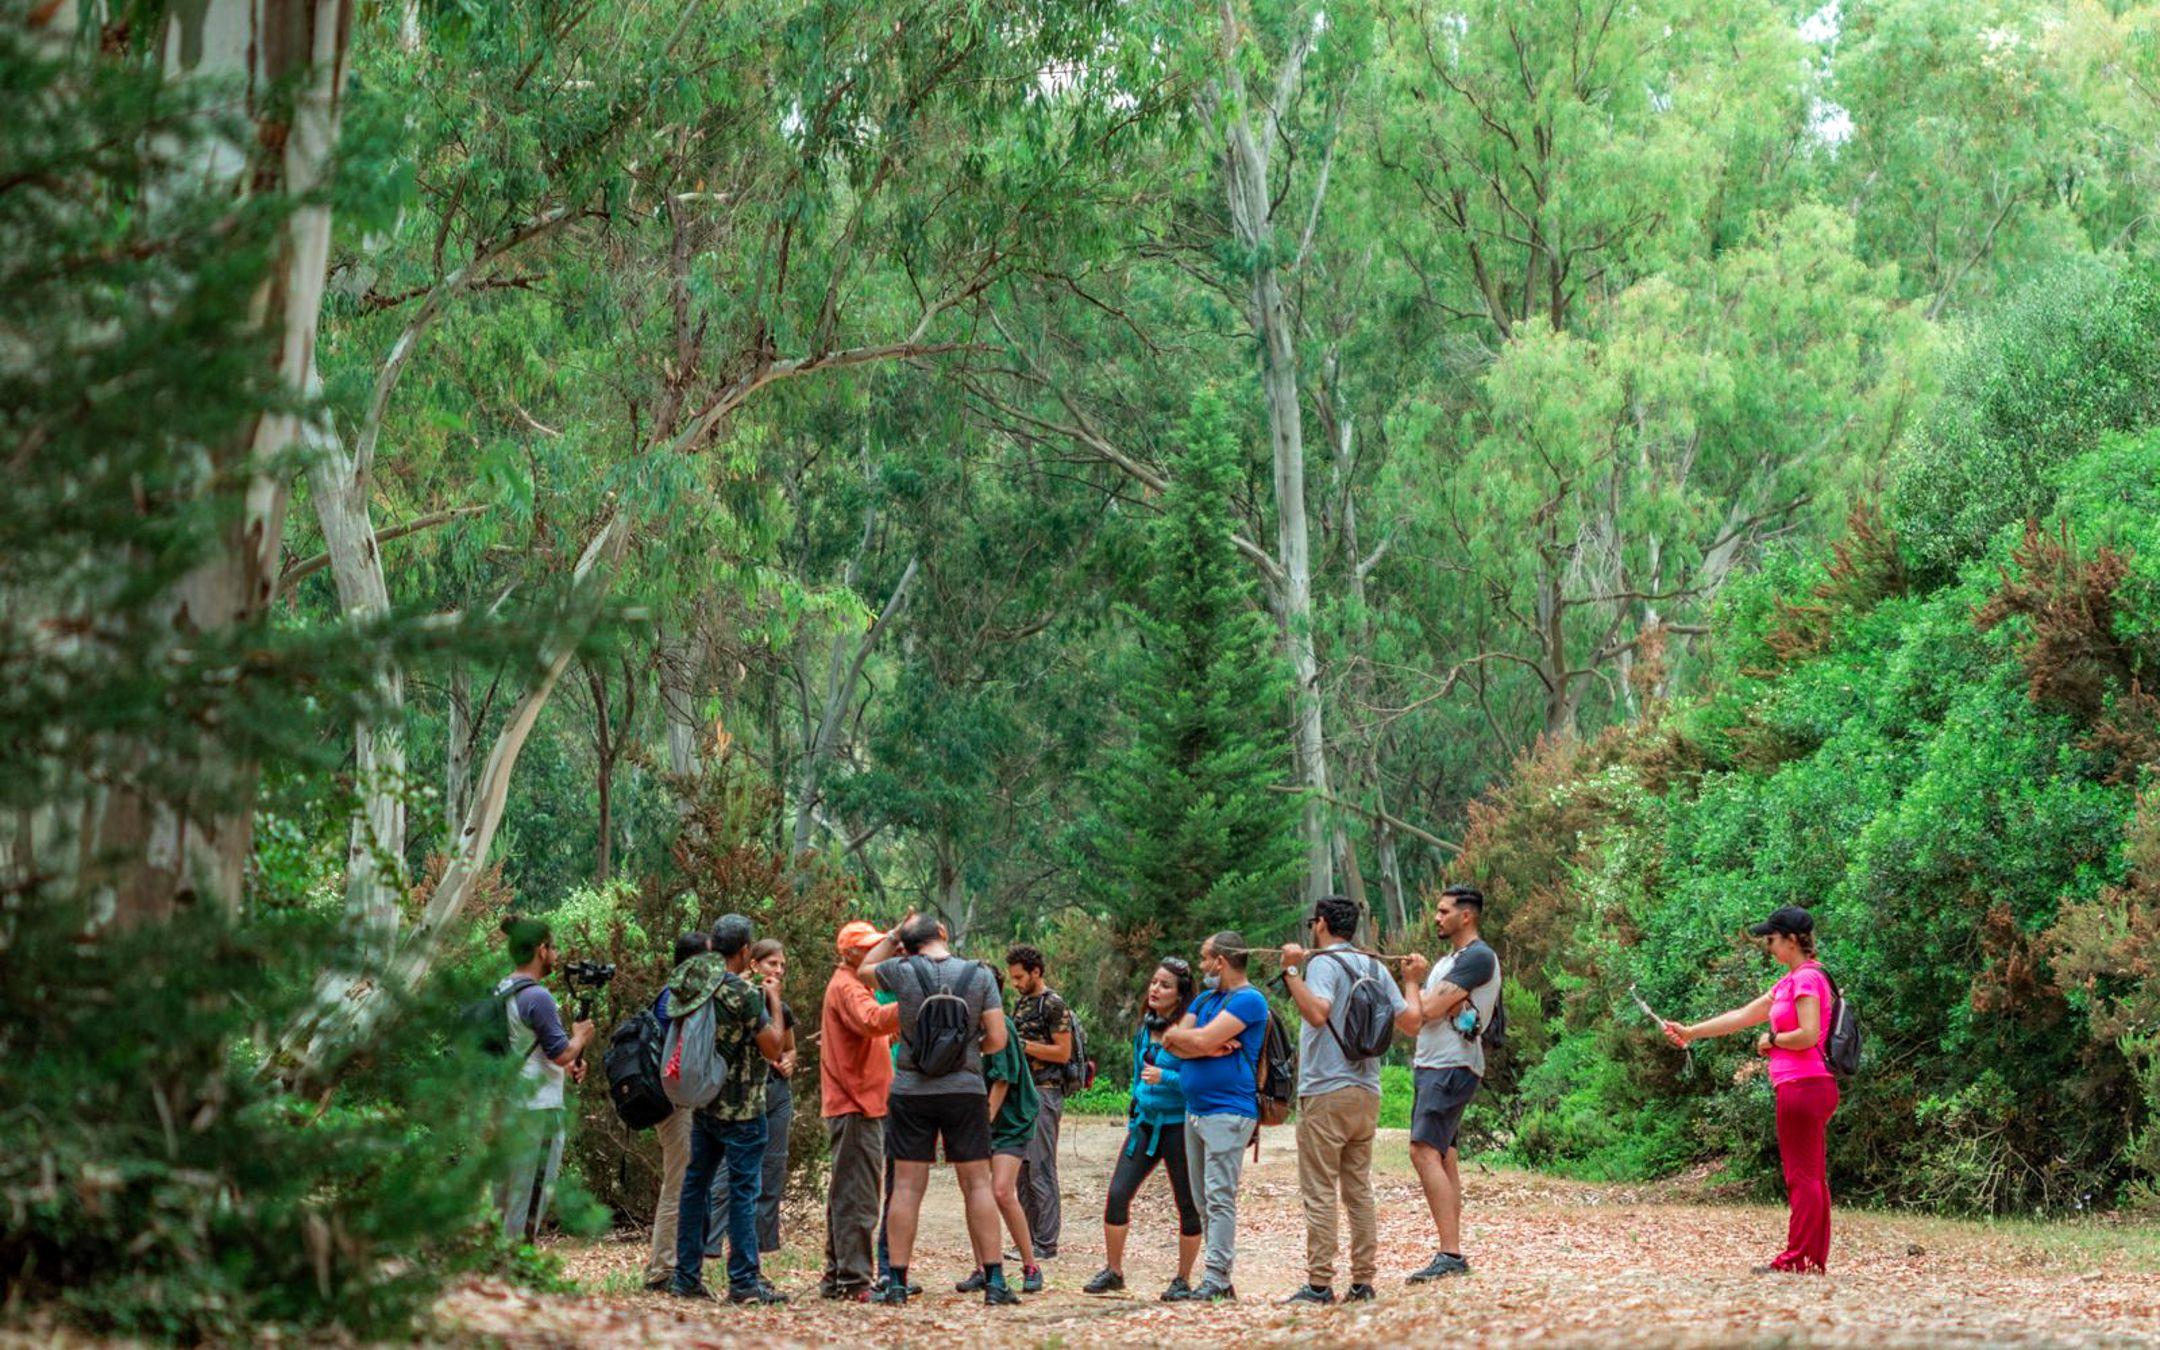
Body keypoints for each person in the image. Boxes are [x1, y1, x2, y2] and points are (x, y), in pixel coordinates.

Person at [1662, 905, 1840, 1274]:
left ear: (1791, 941)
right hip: (1804, 1085)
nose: (1768, 947)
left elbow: (1808, 1035)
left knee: (1802, 1176)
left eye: (1772, 940)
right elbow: (1743, 1015)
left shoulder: (1807, 979)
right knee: (1810, 1174)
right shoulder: (1791, 981)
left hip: (1803, 1084)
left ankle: (1797, 1260)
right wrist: (1691, 1032)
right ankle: (1810, 1258)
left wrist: (1772, 1040)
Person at [860, 913, 1015, 1307]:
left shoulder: (901, 970)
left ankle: (897, 1283)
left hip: (912, 1089)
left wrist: (893, 935)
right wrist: (965, 1050)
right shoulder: (979, 974)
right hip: (965, 1089)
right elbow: (997, 1039)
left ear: (907, 945)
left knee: (907, 1187)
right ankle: (995, 1281)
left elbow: (863, 969)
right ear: (942, 933)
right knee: (978, 1184)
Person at [1279, 895, 1411, 1305]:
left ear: (1321, 924)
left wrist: (1290, 971)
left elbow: (1317, 1013)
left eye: (1312, 923)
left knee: (1320, 1188)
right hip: (1367, 1091)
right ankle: (1363, 1281)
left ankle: (1319, 1284)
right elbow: (1409, 1020)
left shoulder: (1322, 963)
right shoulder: (1374, 965)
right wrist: (1412, 979)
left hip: (1326, 1090)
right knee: (1358, 1190)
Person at [668, 914, 789, 1305]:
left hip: (704, 1103)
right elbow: (773, 1047)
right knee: (743, 1192)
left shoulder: (695, 983)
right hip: (743, 1110)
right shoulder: (742, 993)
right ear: (745, 951)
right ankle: (743, 1282)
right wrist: (774, 1000)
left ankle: (685, 1276)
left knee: (695, 1188)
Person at [1396, 883, 1501, 1283]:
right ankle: (1451, 1250)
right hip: (1433, 1063)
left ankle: (1450, 1254)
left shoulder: (1478, 957)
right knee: (1443, 1157)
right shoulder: (1448, 962)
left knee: (1422, 1151)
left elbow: (1426, 1008)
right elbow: (1414, 1019)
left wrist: (1412, 984)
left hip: (1452, 1064)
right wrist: (1421, 995)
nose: (1436, 918)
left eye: (1444, 911)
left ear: (1466, 915)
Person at [1083, 956, 1202, 1302]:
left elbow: (1197, 1082)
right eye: (1153, 982)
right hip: (1145, 1125)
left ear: (1180, 994)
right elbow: (1138, 1075)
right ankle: (1114, 1271)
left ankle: (1183, 1279)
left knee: (1187, 1204)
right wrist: (1135, 1108)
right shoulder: (1143, 1029)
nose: (1155, 989)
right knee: (1118, 1194)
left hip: (1178, 1127)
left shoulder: (1190, 1032)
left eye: (1165, 985)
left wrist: (1166, 1076)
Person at [1159, 931, 1269, 1303]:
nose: (1202, 965)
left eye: (1205, 958)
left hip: (1229, 1110)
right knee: (1202, 1198)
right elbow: (1170, 1045)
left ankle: (1216, 1276)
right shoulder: (1205, 999)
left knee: (1220, 1195)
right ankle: (1218, 1275)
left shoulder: (1249, 1000)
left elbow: (1196, 1040)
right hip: (1195, 1110)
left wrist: (1200, 1042)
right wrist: (1204, 1045)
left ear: (1220, 961)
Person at [492, 916, 596, 1243]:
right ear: (541, 950)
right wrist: (580, 1037)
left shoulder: (501, 990)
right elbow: (561, 1053)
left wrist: (569, 1063)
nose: (556, 955)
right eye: (553, 948)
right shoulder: (538, 997)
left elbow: (521, 1046)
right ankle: (518, 1259)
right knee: (531, 1192)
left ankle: (495, 1255)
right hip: (538, 1110)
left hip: (508, 1104)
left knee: (505, 1192)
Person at [818, 920, 901, 1302]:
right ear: (850, 953)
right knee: (858, 1196)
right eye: (868, 947)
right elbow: (872, 1021)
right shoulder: (849, 986)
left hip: (861, 1103)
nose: (874, 952)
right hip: (856, 1104)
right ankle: (854, 1281)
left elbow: (875, 1031)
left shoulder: (857, 985)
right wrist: (914, 998)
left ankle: (838, 1275)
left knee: (847, 1191)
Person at [959, 966, 1042, 1295]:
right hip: (976, 1118)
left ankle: (1031, 1265)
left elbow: (1003, 1081)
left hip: (1010, 1120)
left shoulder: (1001, 1025)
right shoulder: (966, 1025)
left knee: (1002, 1192)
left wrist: (983, 1124)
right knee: (972, 1191)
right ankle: (983, 1266)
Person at [645, 930, 716, 1290]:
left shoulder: (673, 995)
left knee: (685, 1182)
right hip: (675, 1103)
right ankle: (662, 1269)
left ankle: (677, 1264)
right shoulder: (675, 998)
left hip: (678, 1100)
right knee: (679, 1184)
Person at [1006, 944, 1074, 1260]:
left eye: (1020, 977)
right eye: (1012, 978)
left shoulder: (1054, 1005)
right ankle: (1027, 1239)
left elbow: (1062, 1052)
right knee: (1020, 1169)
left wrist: (1022, 1046)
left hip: (1045, 1092)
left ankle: (1046, 1242)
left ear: (1036, 972)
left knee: (1041, 1168)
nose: (1016, 983)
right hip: (1021, 1093)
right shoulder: (1022, 1003)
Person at [748, 938, 798, 1257]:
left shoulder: (783, 1009)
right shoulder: (741, 1001)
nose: (778, 970)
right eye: (772, 964)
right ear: (754, 965)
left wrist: (790, 1061)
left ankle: (765, 1242)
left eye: (782, 965)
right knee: (737, 1168)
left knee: (773, 1166)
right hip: (745, 1095)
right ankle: (719, 1239)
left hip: (777, 1093)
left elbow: (790, 1048)